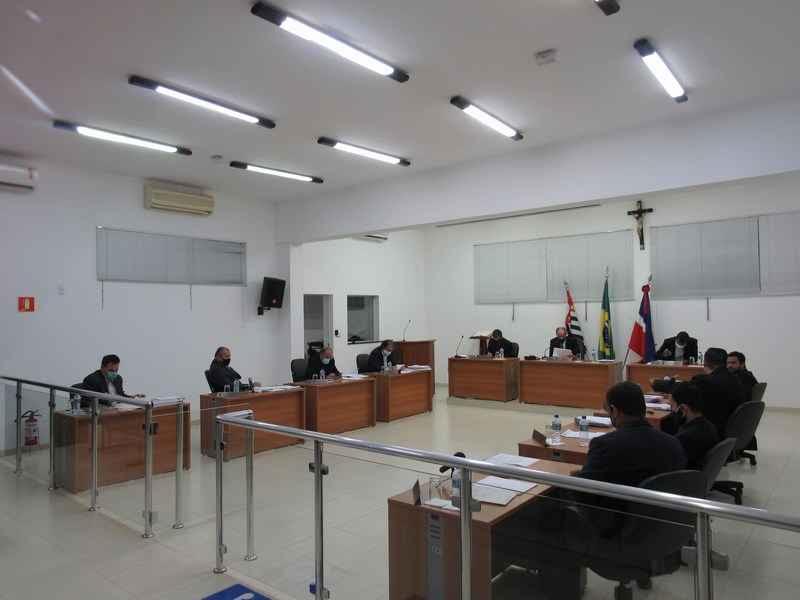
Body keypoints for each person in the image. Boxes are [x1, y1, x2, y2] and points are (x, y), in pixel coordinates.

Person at [691, 347, 745, 436]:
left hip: (711, 432)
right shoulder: (736, 379)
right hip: (732, 429)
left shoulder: (702, 381)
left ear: (705, 362)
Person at [671, 382, 720, 469]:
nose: (672, 411)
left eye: (672, 406)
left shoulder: (684, 438)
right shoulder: (710, 426)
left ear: (683, 409)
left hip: (685, 475)